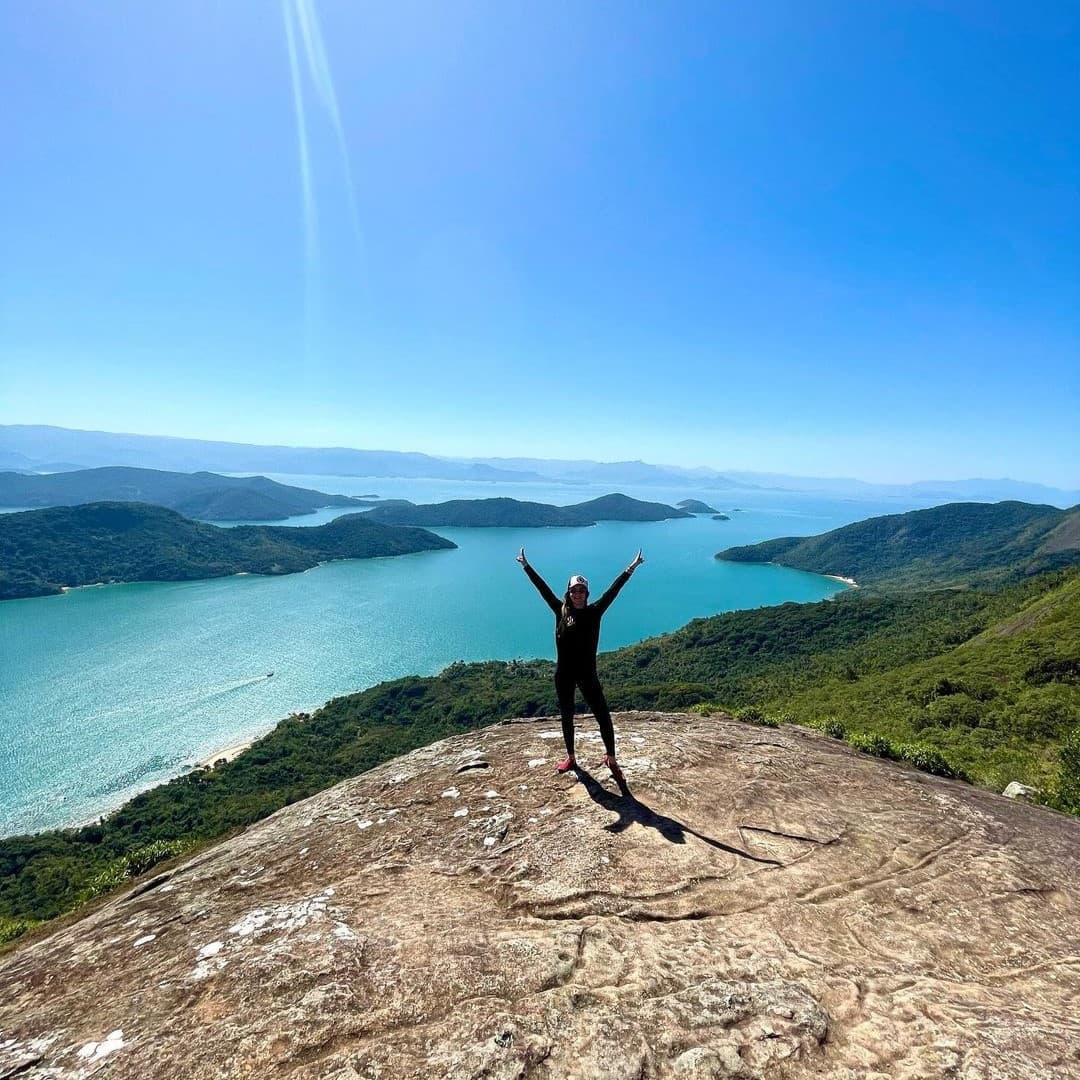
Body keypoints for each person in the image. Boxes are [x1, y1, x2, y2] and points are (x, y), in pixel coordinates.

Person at [517, 546, 644, 780]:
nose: (578, 594)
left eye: (582, 591)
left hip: (587, 674)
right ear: (569, 592)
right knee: (567, 715)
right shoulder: (561, 611)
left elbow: (614, 591)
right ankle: (571, 757)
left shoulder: (595, 611)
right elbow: (542, 588)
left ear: (587, 593)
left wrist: (631, 568)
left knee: (602, 715)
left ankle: (611, 758)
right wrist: (526, 566)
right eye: (574, 590)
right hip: (564, 674)